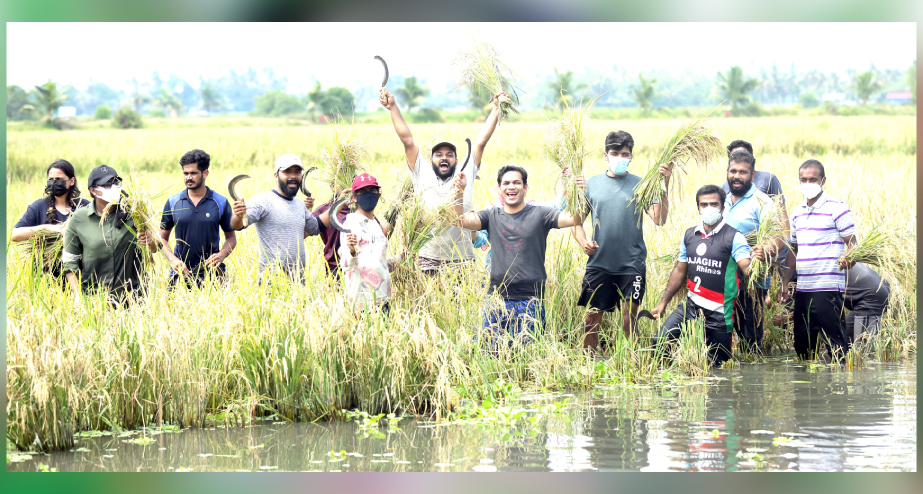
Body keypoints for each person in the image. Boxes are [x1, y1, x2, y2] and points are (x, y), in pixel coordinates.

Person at [380, 86, 506, 273]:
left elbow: (480, 142)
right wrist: (393, 107)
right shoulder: (421, 173)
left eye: (449, 154)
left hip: (462, 259)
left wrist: (496, 109)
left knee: (462, 302)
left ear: (456, 160)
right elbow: (407, 140)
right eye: (439, 154)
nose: (444, 157)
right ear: (431, 161)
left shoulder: (464, 174)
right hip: (427, 258)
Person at [454, 165, 578, 347]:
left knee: (527, 357)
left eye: (516, 183)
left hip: (530, 301)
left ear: (525, 188)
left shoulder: (540, 213)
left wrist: (578, 190)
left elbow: (575, 218)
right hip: (496, 300)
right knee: (489, 353)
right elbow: (460, 221)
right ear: (499, 189)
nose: (511, 186)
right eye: (506, 183)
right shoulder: (491, 214)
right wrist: (459, 191)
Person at [572, 130, 673, 351]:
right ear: (605, 155)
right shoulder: (590, 185)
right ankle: (588, 364)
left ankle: (629, 365)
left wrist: (664, 184)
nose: (620, 158)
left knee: (629, 319)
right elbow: (576, 223)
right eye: (615, 153)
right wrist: (583, 242)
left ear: (631, 157)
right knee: (591, 320)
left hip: (632, 264)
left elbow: (659, 219)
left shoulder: (642, 185)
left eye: (625, 154)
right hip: (599, 263)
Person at [650, 185, 752, 366]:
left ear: (723, 207)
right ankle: (669, 387)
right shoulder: (690, 235)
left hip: (720, 313)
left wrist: (758, 262)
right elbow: (680, 271)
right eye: (703, 204)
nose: (709, 208)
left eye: (714, 204)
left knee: (717, 366)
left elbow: (747, 268)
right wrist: (663, 303)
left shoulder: (734, 237)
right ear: (697, 207)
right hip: (691, 305)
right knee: (659, 343)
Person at [780, 159, 856, 361]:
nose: (808, 183)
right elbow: (793, 250)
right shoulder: (797, 212)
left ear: (823, 180)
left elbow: (853, 243)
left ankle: (840, 386)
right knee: (803, 346)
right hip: (804, 289)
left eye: (813, 179)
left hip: (828, 287)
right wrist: (785, 282)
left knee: (835, 345)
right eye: (803, 180)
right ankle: (808, 390)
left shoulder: (837, 208)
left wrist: (850, 257)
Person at [62, 165, 158, 303]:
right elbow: (69, 261)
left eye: (116, 182)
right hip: (95, 299)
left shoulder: (136, 213)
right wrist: (77, 296)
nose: (114, 187)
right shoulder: (79, 219)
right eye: (107, 184)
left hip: (133, 298)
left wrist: (149, 240)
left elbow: (154, 249)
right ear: (93, 191)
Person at [722, 149, 785, 355]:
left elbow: (780, 237)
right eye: (733, 171)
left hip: (751, 279)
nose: (737, 176)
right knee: (721, 332)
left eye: (743, 172)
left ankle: (753, 380)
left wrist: (765, 249)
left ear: (753, 175)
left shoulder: (762, 202)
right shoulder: (720, 200)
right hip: (722, 277)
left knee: (750, 336)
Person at [229, 154, 324, 282]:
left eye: (297, 172)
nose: (293, 176)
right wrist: (238, 215)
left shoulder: (300, 204)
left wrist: (337, 205)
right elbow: (238, 225)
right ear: (276, 175)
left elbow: (315, 228)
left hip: (298, 282)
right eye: (287, 171)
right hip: (271, 282)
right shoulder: (263, 200)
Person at [159, 149, 237, 288]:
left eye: (193, 173)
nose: (189, 177)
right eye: (186, 173)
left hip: (213, 275)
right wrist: (173, 260)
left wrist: (221, 255)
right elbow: (162, 238)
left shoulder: (220, 202)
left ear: (205, 173)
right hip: (181, 275)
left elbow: (231, 238)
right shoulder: (173, 202)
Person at [773, 262, 890, 347]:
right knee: (846, 344)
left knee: (864, 350)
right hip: (875, 286)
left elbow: (813, 308)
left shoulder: (807, 275)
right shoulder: (816, 262)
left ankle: (869, 376)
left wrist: (785, 319)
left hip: (871, 295)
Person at [12, 159, 90, 277]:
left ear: (71, 181)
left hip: (80, 274)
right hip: (46, 276)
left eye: (59, 179)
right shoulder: (39, 207)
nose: (54, 183)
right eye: (51, 179)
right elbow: (15, 235)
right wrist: (47, 228)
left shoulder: (84, 206)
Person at [337, 173, 402, 311]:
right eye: (362, 191)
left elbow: (380, 264)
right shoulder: (352, 223)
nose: (368, 194)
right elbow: (346, 264)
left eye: (372, 191)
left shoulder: (375, 225)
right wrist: (352, 250)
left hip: (382, 298)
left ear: (378, 195)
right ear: (353, 197)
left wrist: (402, 257)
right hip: (363, 303)